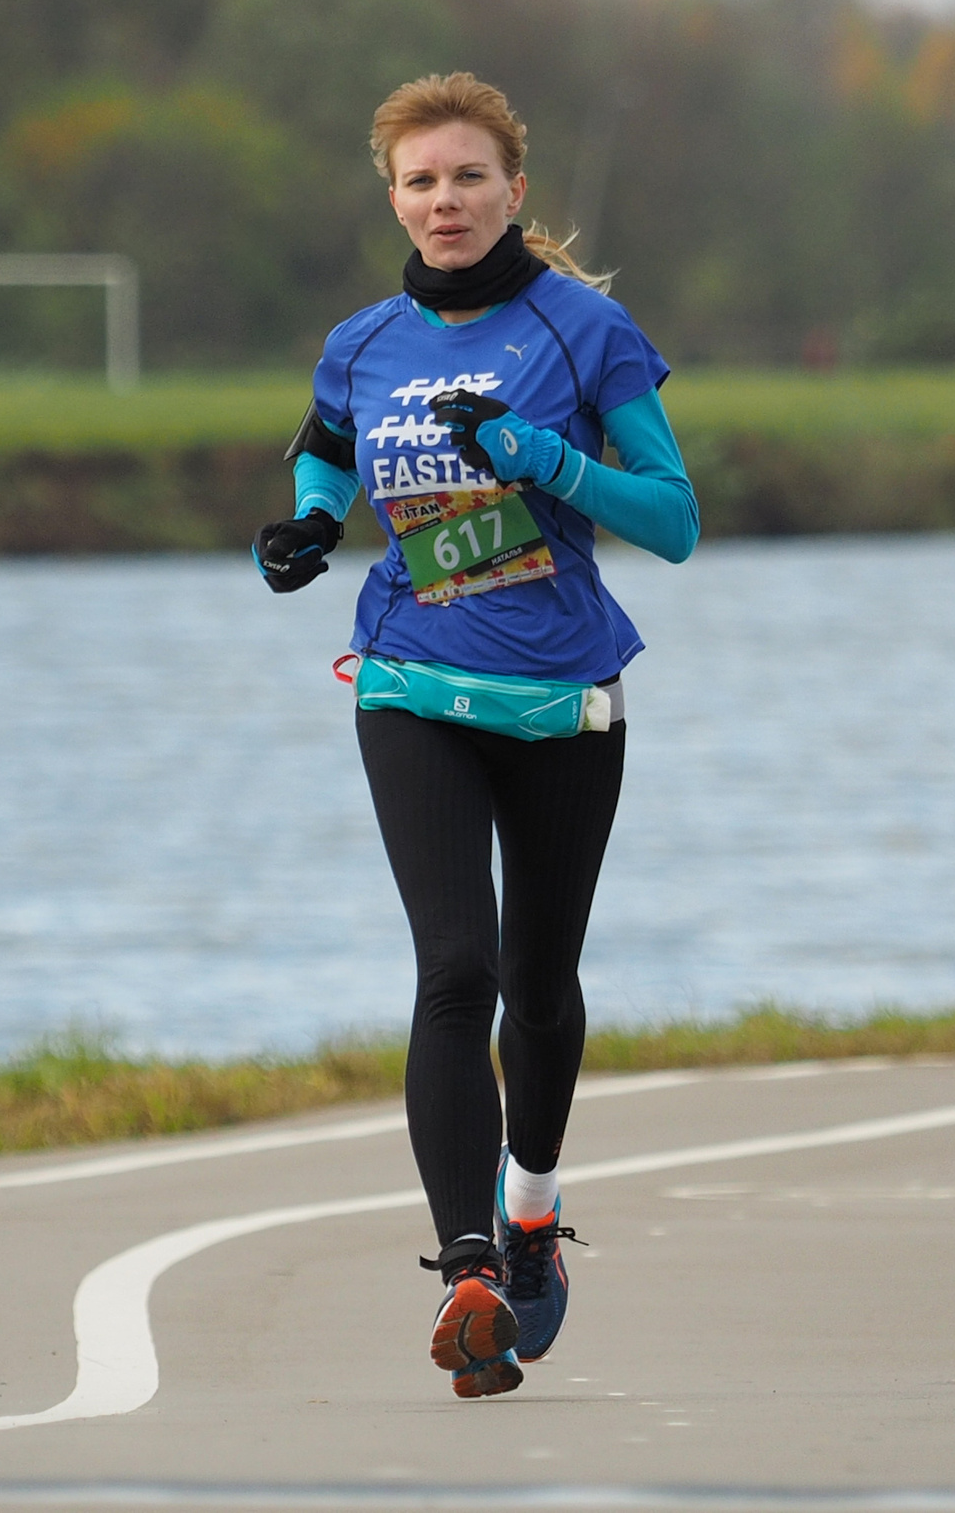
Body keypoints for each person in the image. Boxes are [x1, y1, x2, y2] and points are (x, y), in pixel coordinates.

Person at [255, 72, 699, 1400]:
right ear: (392, 197)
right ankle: (465, 1270)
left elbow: (671, 521)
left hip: (564, 699)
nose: (442, 202)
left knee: (538, 979)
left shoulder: (586, 333)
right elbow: (325, 448)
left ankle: (530, 1217)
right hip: (411, 684)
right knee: (455, 971)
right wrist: (310, 525)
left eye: (465, 178)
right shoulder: (363, 341)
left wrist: (539, 459)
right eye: (417, 182)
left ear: (513, 189)